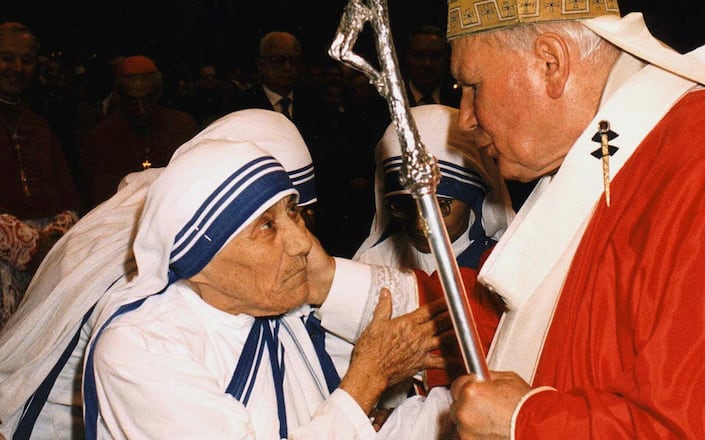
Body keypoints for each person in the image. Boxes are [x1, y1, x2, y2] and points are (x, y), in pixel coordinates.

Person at [435, 2, 705, 438]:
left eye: (472, 87)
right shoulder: (610, 154)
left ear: (551, 63)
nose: (465, 120)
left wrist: (524, 423)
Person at [0, 109, 452, 439]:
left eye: (295, 212)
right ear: (202, 256)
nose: (303, 243)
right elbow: (357, 388)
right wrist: (365, 382)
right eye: (267, 225)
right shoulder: (141, 346)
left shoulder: (272, 311)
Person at [354, 104, 514, 273]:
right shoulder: (371, 265)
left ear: (474, 199)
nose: (419, 225)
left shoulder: (503, 265)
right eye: (403, 205)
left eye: (440, 204)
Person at [0, 21, 84, 330]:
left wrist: (53, 238)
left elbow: (69, 198)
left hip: (46, 258)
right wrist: (28, 244)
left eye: (26, 60)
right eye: (7, 58)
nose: (17, 68)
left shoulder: (40, 124)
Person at [79, 54, 199, 208]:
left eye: (146, 100)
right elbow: (99, 198)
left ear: (157, 94)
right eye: (132, 102)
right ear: (120, 97)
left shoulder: (183, 126)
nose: (140, 110)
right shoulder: (101, 137)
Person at [401, 24, 460, 108]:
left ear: (447, 58)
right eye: (419, 55)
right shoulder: (391, 101)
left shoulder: (459, 100)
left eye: (435, 56)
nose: (427, 64)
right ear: (407, 57)